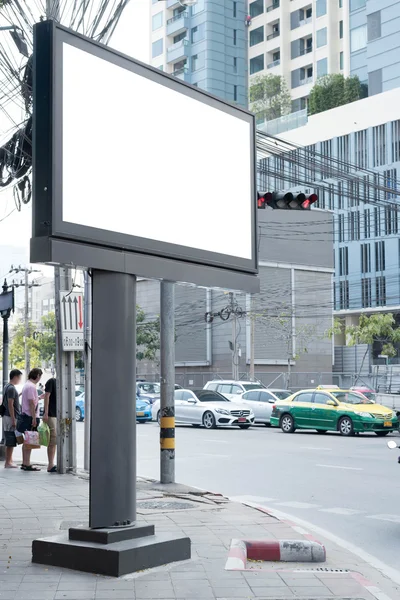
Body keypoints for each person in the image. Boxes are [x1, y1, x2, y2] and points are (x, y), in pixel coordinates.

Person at [18, 368, 43, 472]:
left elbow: (33, 401)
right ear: (37, 375)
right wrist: (33, 418)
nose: (39, 378)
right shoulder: (31, 387)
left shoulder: (27, 385)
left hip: (26, 415)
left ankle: (25, 462)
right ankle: (27, 463)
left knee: (27, 440)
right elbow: (32, 403)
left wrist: (40, 398)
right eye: (40, 376)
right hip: (30, 416)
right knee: (30, 440)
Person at [2, 369, 23, 468]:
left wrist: (19, 395)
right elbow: (10, 404)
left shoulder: (7, 386)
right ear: (15, 377)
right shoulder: (11, 388)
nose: (19, 380)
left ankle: (9, 460)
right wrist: (14, 419)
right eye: (19, 377)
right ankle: (8, 462)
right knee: (10, 439)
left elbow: (11, 400)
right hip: (10, 417)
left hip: (7, 416)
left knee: (10, 438)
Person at [43, 377, 57, 473]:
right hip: (51, 414)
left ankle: (52, 463)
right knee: (53, 439)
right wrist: (46, 413)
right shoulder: (52, 381)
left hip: (59, 414)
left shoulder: (65, 382)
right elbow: (47, 396)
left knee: (55, 440)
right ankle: (50, 464)